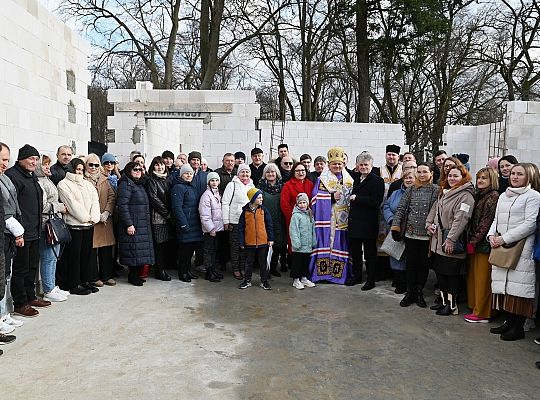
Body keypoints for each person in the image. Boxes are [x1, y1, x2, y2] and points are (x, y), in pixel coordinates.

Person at [488, 163, 540, 341]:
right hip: (501, 245)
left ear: (529, 177)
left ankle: (518, 327)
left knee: (519, 289)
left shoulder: (533, 196)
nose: (515, 177)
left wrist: (505, 238)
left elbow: (530, 224)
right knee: (505, 287)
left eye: (520, 174)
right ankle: (508, 323)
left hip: (521, 248)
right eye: (513, 174)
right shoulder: (504, 195)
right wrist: (491, 236)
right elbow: (496, 219)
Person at [5, 144, 48, 316]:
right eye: (31, 158)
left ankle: (31, 296)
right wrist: (17, 231)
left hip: (35, 230)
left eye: (36, 159)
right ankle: (20, 303)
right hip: (21, 232)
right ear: (21, 159)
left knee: (31, 268)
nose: (34, 162)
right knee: (21, 269)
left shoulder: (31, 176)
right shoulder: (13, 176)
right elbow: (10, 205)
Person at [426, 164, 475, 315]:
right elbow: (435, 209)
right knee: (441, 274)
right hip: (438, 240)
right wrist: (429, 224)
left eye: (456, 176)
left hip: (451, 241)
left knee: (451, 276)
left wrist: (450, 240)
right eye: (450, 176)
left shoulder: (465, 195)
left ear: (463, 177)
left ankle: (452, 305)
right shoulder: (445, 192)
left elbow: (461, 219)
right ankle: (444, 301)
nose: (452, 179)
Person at [391, 163, 439, 307]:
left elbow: (437, 211)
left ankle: (419, 292)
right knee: (410, 264)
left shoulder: (436, 190)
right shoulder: (411, 189)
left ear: (431, 173)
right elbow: (401, 208)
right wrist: (396, 227)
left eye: (425, 172)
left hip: (426, 236)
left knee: (423, 266)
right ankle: (410, 292)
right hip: (410, 234)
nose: (422, 174)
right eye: (419, 172)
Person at [309, 147, 354, 285]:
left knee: (340, 244)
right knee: (325, 243)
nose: (337, 166)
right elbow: (314, 198)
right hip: (327, 218)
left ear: (343, 164)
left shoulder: (349, 180)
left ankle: (339, 275)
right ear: (329, 164)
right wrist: (331, 197)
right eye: (334, 163)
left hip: (342, 220)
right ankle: (321, 274)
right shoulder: (322, 179)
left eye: (340, 163)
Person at [57, 158, 101, 295]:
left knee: (86, 255)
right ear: (71, 169)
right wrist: (85, 218)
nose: (80, 172)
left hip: (89, 225)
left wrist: (94, 218)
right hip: (74, 226)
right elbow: (71, 204)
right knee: (74, 257)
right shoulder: (63, 184)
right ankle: (74, 284)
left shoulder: (87, 184)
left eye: (82, 169)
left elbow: (95, 200)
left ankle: (85, 281)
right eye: (77, 169)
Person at [464, 167, 499, 323]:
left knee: (483, 280)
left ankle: (482, 313)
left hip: (483, 244)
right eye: (478, 178)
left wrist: (474, 241)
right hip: (475, 242)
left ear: (492, 180)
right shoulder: (479, 195)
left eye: (484, 178)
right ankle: (475, 306)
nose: (480, 181)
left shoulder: (492, 196)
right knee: (474, 277)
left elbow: (486, 222)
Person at [347, 152, 385, 289]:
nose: (363, 167)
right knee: (356, 253)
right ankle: (357, 277)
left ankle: (371, 280)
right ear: (357, 166)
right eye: (361, 165)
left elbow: (376, 201)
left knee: (370, 254)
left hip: (368, 223)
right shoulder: (355, 178)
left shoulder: (377, 180)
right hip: (354, 223)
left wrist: (357, 198)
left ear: (371, 165)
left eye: (366, 165)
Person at [35, 155, 68, 302]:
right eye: (44, 165)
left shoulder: (46, 180)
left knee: (54, 257)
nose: (48, 167)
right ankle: (48, 289)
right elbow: (42, 206)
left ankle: (52, 286)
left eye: (48, 164)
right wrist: (59, 207)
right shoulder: (39, 182)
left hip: (53, 222)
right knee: (48, 257)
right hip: (45, 225)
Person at [117, 161, 155, 286]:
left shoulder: (139, 184)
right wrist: (129, 224)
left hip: (142, 223)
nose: (138, 171)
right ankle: (132, 275)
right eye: (135, 169)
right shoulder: (126, 184)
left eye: (140, 169)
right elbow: (123, 206)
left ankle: (136, 275)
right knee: (132, 250)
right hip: (133, 223)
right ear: (129, 172)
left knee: (139, 251)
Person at [0, 142, 25, 329]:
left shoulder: (5, 178)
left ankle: (5, 314)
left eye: (7, 159)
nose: (5, 163)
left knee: (5, 276)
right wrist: (19, 231)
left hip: (8, 236)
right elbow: (5, 211)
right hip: (6, 232)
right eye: (2, 159)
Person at [84, 154, 117, 287]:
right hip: (91, 220)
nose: (93, 167)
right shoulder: (83, 179)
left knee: (106, 249)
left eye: (96, 165)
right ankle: (93, 277)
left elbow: (112, 196)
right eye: (90, 164)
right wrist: (94, 214)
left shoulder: (105, 179)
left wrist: (107, 212)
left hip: (105, 220)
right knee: (92, 250)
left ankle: (106, 275)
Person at [383, 169, 416, 294]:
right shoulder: (396, 193)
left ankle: (410, 285)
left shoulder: (418, 193)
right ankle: (399, 282)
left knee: (409, 258)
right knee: (396, 257)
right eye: (406, 178)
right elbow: (386, 206)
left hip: (411, 231)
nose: (408, 180)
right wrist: (392, 220)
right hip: (396, 229)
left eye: (411, 178)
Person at [171, 164, 203, 282]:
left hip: (195, 224)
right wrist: (183, 224)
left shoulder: (192, 187)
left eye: (190, 173)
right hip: (186, 224)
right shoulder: (178, 187)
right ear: (181, 175)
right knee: (184, 251)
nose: (189, 175)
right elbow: (177, 207)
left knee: (190, 251)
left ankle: (188, 270)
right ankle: (182, 272)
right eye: (186, 173)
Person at [222, 164, 255, 280]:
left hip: (248, 222)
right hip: (235, 222)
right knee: (235, 246)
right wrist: (226, 221)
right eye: (242, 172)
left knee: (245, 247)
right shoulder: (232, 185)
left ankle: (242, 267)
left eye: (247, 172)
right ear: (238, 173)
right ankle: (235, 269)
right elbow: (225, 203)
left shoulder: (252, 185)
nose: (245, 175)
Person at [237, 188, 274, 290]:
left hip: (263, 242)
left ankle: (264, 281)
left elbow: (269, 225)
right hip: (249, 243)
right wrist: (241, 242)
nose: (261, 199)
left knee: (263, 263)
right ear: (252, 199)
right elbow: (241, 228)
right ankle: (247, 280)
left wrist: (270, 239)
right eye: (259, 197)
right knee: (249, 263)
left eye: (262, 197)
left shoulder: (264, 210)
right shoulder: (245, 212)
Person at [281, 161, 314, 271]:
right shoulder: (288, 185)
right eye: (298, 170)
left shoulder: (310, 184)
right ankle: (295, 271)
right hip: (294, 220)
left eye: (303, 170)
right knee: (295, 244)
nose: (301, 173)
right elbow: (284, 204)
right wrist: (294, 218)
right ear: (293, 172)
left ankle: (304, 272)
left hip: (308, 220)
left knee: (307, 244)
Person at [146, 156, 173, 281]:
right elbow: (154, 199)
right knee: (159, 246)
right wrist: (166, 213)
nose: (160, 167)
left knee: (166, 244)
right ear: (153, 167)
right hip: (158, 218)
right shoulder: (152, 180)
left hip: (168, 217)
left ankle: (164, 267)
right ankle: (159, 270)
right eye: (157, 165)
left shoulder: (167, 179)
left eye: (162, 164)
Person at [257, 164, 287, 277]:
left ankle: (273, 268)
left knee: (278, 245)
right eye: (268, 172)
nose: (270, 174)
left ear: (276, 173)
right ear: (264, 174)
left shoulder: (283, 186)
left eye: (273, 172)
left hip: (280, 220)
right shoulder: (260, 187)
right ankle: (265, 270)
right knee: (265, 247)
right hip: (265, 221)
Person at [198, 172, 224, 282]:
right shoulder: (206, 195)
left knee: (215, 250)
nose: (214, 183)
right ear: (208, 182)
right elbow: (204, 214)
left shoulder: (218, 193)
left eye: (216, 180)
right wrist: (211, 228)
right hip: (210, 230)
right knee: (208, 250)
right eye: (212, 180)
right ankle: (208, 272)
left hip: (218, 228)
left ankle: (213, 269)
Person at [289, 193, 316, 290]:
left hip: (307, 245)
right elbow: (293, 230)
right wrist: (296, 243)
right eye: (300, 203)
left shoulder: (309, 214)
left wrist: (313, 241)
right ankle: (296, 280)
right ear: (297, 204)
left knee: (305, 262)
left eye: (304, 202)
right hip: (299, 246)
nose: (302, 205)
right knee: (297, 263)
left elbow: (313, 228)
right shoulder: (296, 216)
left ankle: (304, 278)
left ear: (307, 203)